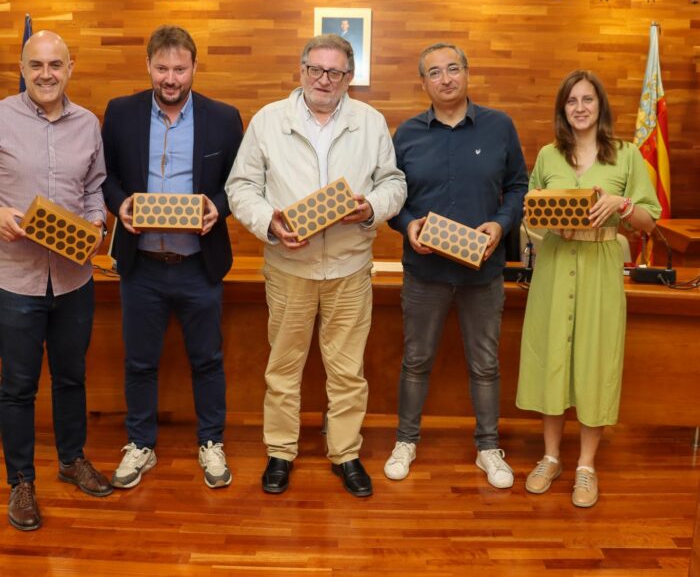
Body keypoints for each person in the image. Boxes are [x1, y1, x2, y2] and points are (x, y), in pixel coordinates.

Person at [226, 34, 406, 497]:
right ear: (301, 70)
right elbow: (241, 187)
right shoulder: (269, 120)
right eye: (315, 69)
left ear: (349, 78)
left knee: (348, 372)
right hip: (289, 268)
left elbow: (394, 182)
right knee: (282, 369)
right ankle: (280, 452)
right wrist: (270, 223)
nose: (324, 79)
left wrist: (370, 209)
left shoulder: (370, 122)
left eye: (335, 72)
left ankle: (345, 453)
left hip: (349, 269)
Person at [102, 25, 244, 490]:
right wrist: (119, 203)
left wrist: (216, 208)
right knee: (139, 362)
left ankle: (211, 442)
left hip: (198, 266)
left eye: (179, 68)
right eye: (162, 68)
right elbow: (106, 176)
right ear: (148, 66)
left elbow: (239, 184)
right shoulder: (120, 113)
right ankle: (140, 444)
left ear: (194, 68)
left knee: (207, 359)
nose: (170, 78)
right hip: (140, 265)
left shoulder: (224, 118)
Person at [383, 42, 528, 489]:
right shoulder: (406, 134)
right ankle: (405, 441)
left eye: (452, 69)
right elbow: (391, 198)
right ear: (423, 82)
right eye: (434, 73)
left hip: (482, 274)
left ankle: (488, 447)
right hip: (424, 274)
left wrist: (501, 227)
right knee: (415, 360)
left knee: (485, 364)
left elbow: (519, 186)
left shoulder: (499, 126)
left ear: (466, 73)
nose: (445, 79)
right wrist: (407, 227)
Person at [516, 70, 660, 508]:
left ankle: (585, 466)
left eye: (587, 100)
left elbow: (649, 221)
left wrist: (625, 204)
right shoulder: (547, 156)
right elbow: (529, 215)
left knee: (595, 362)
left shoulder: (628, 156)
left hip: (599, 269)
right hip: (556, 266)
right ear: (562, 110)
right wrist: (543, 219)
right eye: (571, 101)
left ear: (600, 106)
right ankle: (551, 456)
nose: (579, 108)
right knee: (551, 360)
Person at [0, 30, 112, 531]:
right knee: (18, 387)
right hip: (14, 280)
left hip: (73, 280)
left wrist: (98, 227)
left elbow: (94, 189)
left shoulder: (88, 124)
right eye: (36, 64)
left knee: (71, 378)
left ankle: (71, 460)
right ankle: (21, 481)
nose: (46, 74)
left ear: (71, 68)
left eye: (56, 64)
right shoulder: (1, 117)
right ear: (22, 68)